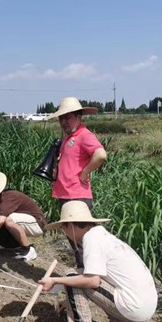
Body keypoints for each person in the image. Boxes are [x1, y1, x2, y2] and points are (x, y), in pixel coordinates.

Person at [38, 201, 158, 322]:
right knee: (79, 273)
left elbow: (92, 281)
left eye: (63, 227)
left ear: (70, 226)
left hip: (133, 306)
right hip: (145, 305)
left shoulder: (92, 239)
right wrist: (70, 300)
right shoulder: (103, 236)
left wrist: (56, 281)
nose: (64, 232)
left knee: (72, 276)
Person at [49, 97, 107, 269]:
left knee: (83, 240)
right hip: (65, 193)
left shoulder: (83, 135)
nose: (64, 122)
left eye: (68, 117)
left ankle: (92, 276)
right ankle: (84, 273)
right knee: (74, 240)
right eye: (61, 118)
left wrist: (85, 172)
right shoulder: (69, 138)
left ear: (79, 117)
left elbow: (101, 155)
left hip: (77, 195)